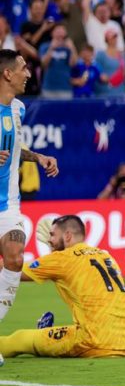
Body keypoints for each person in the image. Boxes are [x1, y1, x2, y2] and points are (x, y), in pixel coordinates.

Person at [0, 215, 125, 360]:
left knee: (20, 339)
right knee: (71, 330)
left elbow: (12, 268)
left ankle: (43, 334)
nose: (49, 239)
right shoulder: (105, 255)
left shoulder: (63, 259)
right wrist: (55, 249)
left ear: (67, 236)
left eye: (52, 235)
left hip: (93, 341)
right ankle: (46, 333)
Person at [0, 49, 60, 326]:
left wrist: (38, 157)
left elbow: (14, 148)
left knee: (14, 258)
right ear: (7, 73)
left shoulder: (18, 108)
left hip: (9, 204)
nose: (28, 73)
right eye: (23, 68)